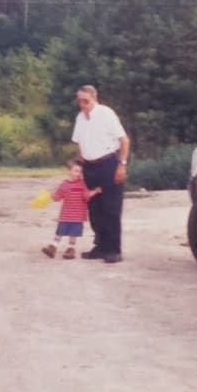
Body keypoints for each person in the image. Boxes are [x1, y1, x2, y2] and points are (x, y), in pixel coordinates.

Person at [71, 85, 130, 263]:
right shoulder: (80, 118)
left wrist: (122, 165)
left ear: (95, 99)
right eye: (79, 101)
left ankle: (114, 250)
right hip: (89, 167)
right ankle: (101, 246)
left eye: (86, 101)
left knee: (110, 208)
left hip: (108, 164)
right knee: (94, 209)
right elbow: (79, 144)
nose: (82, 104)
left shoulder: (106, 114)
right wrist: (79, 167)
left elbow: (124, 140)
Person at [42, 159, 101, 260]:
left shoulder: (82, 184)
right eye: (76, 171)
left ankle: (71, 250)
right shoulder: (64, 184)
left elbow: (86, 196)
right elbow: (58, 197)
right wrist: (51, 195)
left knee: (73, 234)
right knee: (59, 232)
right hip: (65, 215)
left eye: (80, 171)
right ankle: (52, 247)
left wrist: (95, 191)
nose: (78, 174)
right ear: (69, 171)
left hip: (77, 216)